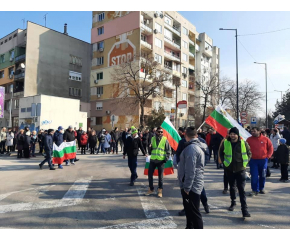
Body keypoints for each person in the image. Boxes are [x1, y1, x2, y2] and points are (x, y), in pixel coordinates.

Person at [219, 127, 252, 218]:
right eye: (231, 134)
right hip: (229, 169)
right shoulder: (225, 142)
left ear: (238, 135)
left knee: (241, 189)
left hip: (240, 169)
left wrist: (245, 162)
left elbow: (249, 153)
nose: (232, 135)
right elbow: (221, 153)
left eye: (234, 134)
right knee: (232, 187)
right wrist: (224, 162)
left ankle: (244, 210)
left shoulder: (243, 143)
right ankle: (233, 202)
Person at [177, 127, 210, 216]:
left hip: (194, 172)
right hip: (187, 170)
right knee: (187, 197)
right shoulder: (183, 141)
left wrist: (202, 164)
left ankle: (205, 204)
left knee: (199, 191)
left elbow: (207, 154)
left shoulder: (201, 142)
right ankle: (186, 208)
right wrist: (178, 163)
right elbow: (178, 152)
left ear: (197, 135)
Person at [247, 127, 273, 196]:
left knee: (263, 175)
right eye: (252, 131)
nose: (252, 132)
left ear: (259, 131)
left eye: (254, 131)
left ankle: (261, 188)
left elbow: (270, 148)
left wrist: (268, 156)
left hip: (263, 160)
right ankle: (254, 190)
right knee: (254, 176)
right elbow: (245, 149)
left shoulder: (265, 139)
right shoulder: (249, 139)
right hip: (253, 160)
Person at [145, 126, 171, 198]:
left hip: (161, 161)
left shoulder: (165, 140)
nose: (160, 133)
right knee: (150, 175)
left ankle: (160, 190)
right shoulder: (153, 139)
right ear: (156, 132)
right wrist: (149, 148)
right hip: (153, 160)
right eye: (159, 132)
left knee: (160, 177)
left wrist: (165, 159)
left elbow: (168, 151)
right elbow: (150, 151)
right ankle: (151, 189)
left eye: (161, 132)